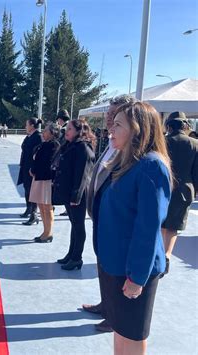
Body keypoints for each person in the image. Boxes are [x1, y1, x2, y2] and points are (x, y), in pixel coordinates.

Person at [97, 101, 172, 354]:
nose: (111, 130)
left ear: (137, 129)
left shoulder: (151, 166)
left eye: (118, 125)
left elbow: (148, 229)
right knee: (121, 331)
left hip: (133, 270)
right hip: (116, 264)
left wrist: (137, 277)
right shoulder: (126, 161)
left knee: (131, 336)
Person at [82, 95, 136, 332]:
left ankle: (115, 316)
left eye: (114, 116)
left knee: (114, 268)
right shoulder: (110, 141)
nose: (108, 119)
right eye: (108, 115)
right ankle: (106, 305)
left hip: (114, 221)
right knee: (103, 263)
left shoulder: (128, 151)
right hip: (101, 218)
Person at [52, 118, 95, 270]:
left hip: (78, 194)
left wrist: (76, 196)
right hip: (69, 192)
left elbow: (83, 174)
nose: (66, 131)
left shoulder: (83, 147)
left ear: (79, 131)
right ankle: (71, 254)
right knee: (73, 224)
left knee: (78, 226)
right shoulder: (71, 146)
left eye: (70, 129)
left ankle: (77, 257)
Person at [161, 111, 198, 275]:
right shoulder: (194, 144)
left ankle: (159, 253)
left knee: (160, 223)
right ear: (185, 125)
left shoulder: (161, 142)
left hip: (162, 187)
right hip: (184, 189)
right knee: (173, 227)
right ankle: (167, 255)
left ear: (168, 125)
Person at [30, 123, 60, 242]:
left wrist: (35, 170)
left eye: (46, 130)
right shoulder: (44, 144)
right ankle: (45, 231)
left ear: (52, 133)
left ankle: (49, 233)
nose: (43, 132)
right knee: (41, 205)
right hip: (39, 178)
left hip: (46, 179)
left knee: (47, 207)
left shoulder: (54, 145)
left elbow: (49, 163)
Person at [17, 118, 42, 225]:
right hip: (25, 167)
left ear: (32, 126)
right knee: (27, 189)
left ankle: (34, 213)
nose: (25, 127)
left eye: (27, 125)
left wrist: (34, 167)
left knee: (32, 191)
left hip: (32, 168)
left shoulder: (38, 137)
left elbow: (39, 155)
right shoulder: (29, 136)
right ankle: (28, 209)